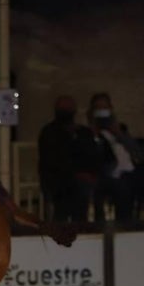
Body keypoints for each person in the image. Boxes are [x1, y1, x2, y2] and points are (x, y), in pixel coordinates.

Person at [36, 94, 101, 222]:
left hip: (82, 177)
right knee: (71, 192)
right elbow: (52, 160)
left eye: (68, 108)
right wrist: (77, 174)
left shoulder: (83, 132)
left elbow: (92, 155)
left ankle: (90, 225)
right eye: (63, 109)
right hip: (59, 179)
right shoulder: (50, 132)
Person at [88, 92, 142, 222]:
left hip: (130, 171)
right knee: (122, 187)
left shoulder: (120, 129)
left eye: (105, 109)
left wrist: (119, 134)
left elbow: (137, 152)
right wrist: (95, 134)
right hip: (109, 174)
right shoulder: (89, 134)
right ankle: (123, 225)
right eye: (99, 109)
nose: (103, 113)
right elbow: (95, 157)